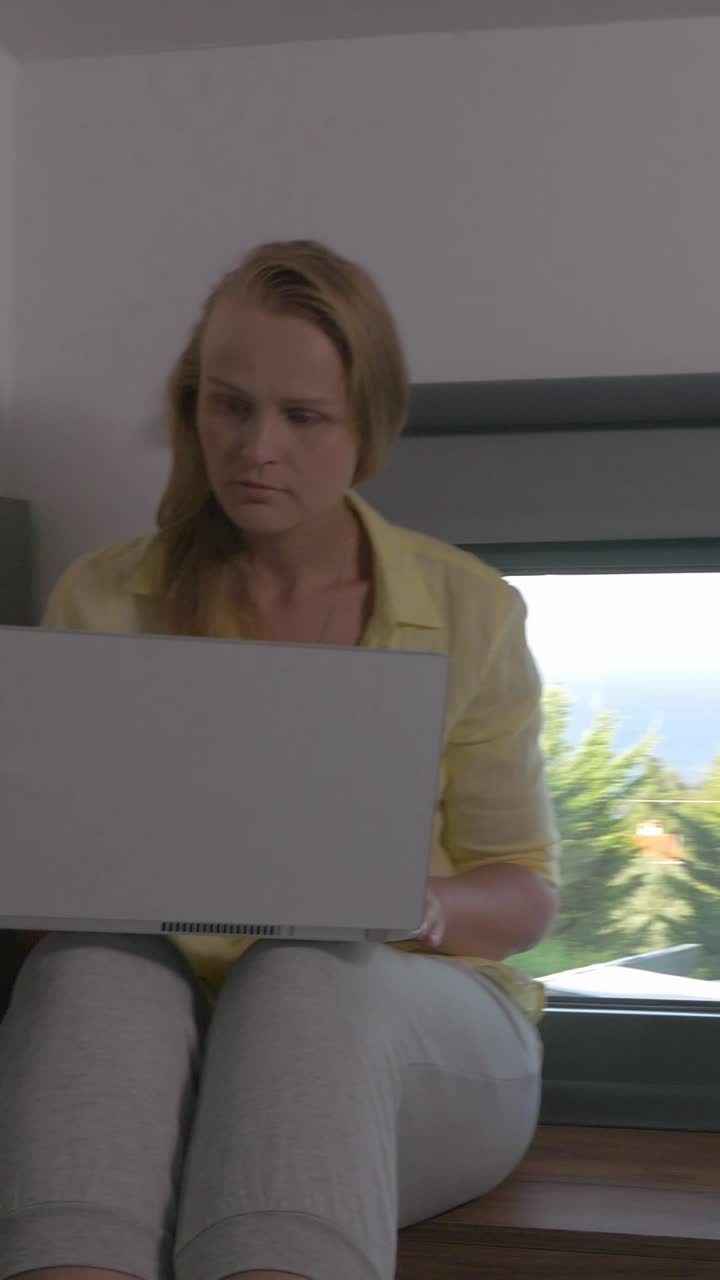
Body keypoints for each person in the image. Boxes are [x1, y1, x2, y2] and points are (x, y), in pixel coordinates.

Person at [0, 239, 560, 1280]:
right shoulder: (100, 594)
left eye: (304, 417)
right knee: (88, 968)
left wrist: (417, 904)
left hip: (404, 1028)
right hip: (176, 1029)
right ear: (193, 406)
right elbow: (45, 898)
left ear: (367, 428)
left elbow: (525, 896)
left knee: (302, 973)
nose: (257, 447)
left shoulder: (469, 607)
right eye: (229, 405)